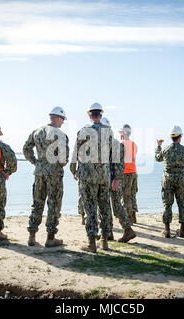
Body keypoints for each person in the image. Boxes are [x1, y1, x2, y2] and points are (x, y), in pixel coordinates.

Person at [70, 103, 117, 253]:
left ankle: (91, 243)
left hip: (88, 177)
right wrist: (114, 176)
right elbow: (113, 156)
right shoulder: (109, 132)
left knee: (90, 209)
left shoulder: (83, 131)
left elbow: (76, 152)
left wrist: (73, 170)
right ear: (101, 115)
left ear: (89, 115)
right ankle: (104, 241)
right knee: (104, 208)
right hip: (104, 176)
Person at [23, 107, 69, 247]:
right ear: (58, 118)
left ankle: (32, 235)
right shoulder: (60, 134)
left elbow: (26, 148)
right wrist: (61, 164)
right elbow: (64, 157)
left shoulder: (36, 132)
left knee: (37, 203)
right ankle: (50, 238)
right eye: (62, 120)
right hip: (54, 173)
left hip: (39, 172)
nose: (62, 123)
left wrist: (35, 162)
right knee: (53, 205)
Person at [101, 117, 136, 243]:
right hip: (106, 179)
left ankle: (127, 230)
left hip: (112, 180)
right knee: (107, 206)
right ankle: (109, 232)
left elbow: (120, 165)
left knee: (114, 206)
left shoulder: (115, 144)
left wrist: (116, 179)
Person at [155, 125, 184, 238]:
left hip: (168, 178)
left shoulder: (165, 149)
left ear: (171, 137)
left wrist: (158, 146)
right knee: (182, 203)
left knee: (167, 204)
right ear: (180, 137)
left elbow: (158, 158)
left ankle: (167, 230)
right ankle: (182, 230)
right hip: (181, 179)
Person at [120, 124, 139, 224]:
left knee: (125, 196)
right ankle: (134, 215)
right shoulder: (134, 144)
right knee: (132, 195)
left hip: (125, 173)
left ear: (123, 133)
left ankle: (129, 216)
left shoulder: (121, 144)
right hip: (133, 172)